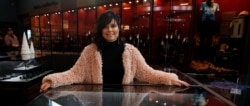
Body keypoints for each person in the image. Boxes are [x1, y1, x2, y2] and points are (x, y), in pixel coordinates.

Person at [40, 10, 190, 93]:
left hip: (123, 104)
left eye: (113, 26)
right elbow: (74, 74)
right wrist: (52, 80)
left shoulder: (130, 51)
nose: (109, 30)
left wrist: (170, 79)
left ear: (118, 27)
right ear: (100, 30)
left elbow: (148, 73)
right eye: (105, 27)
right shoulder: (90, 51)